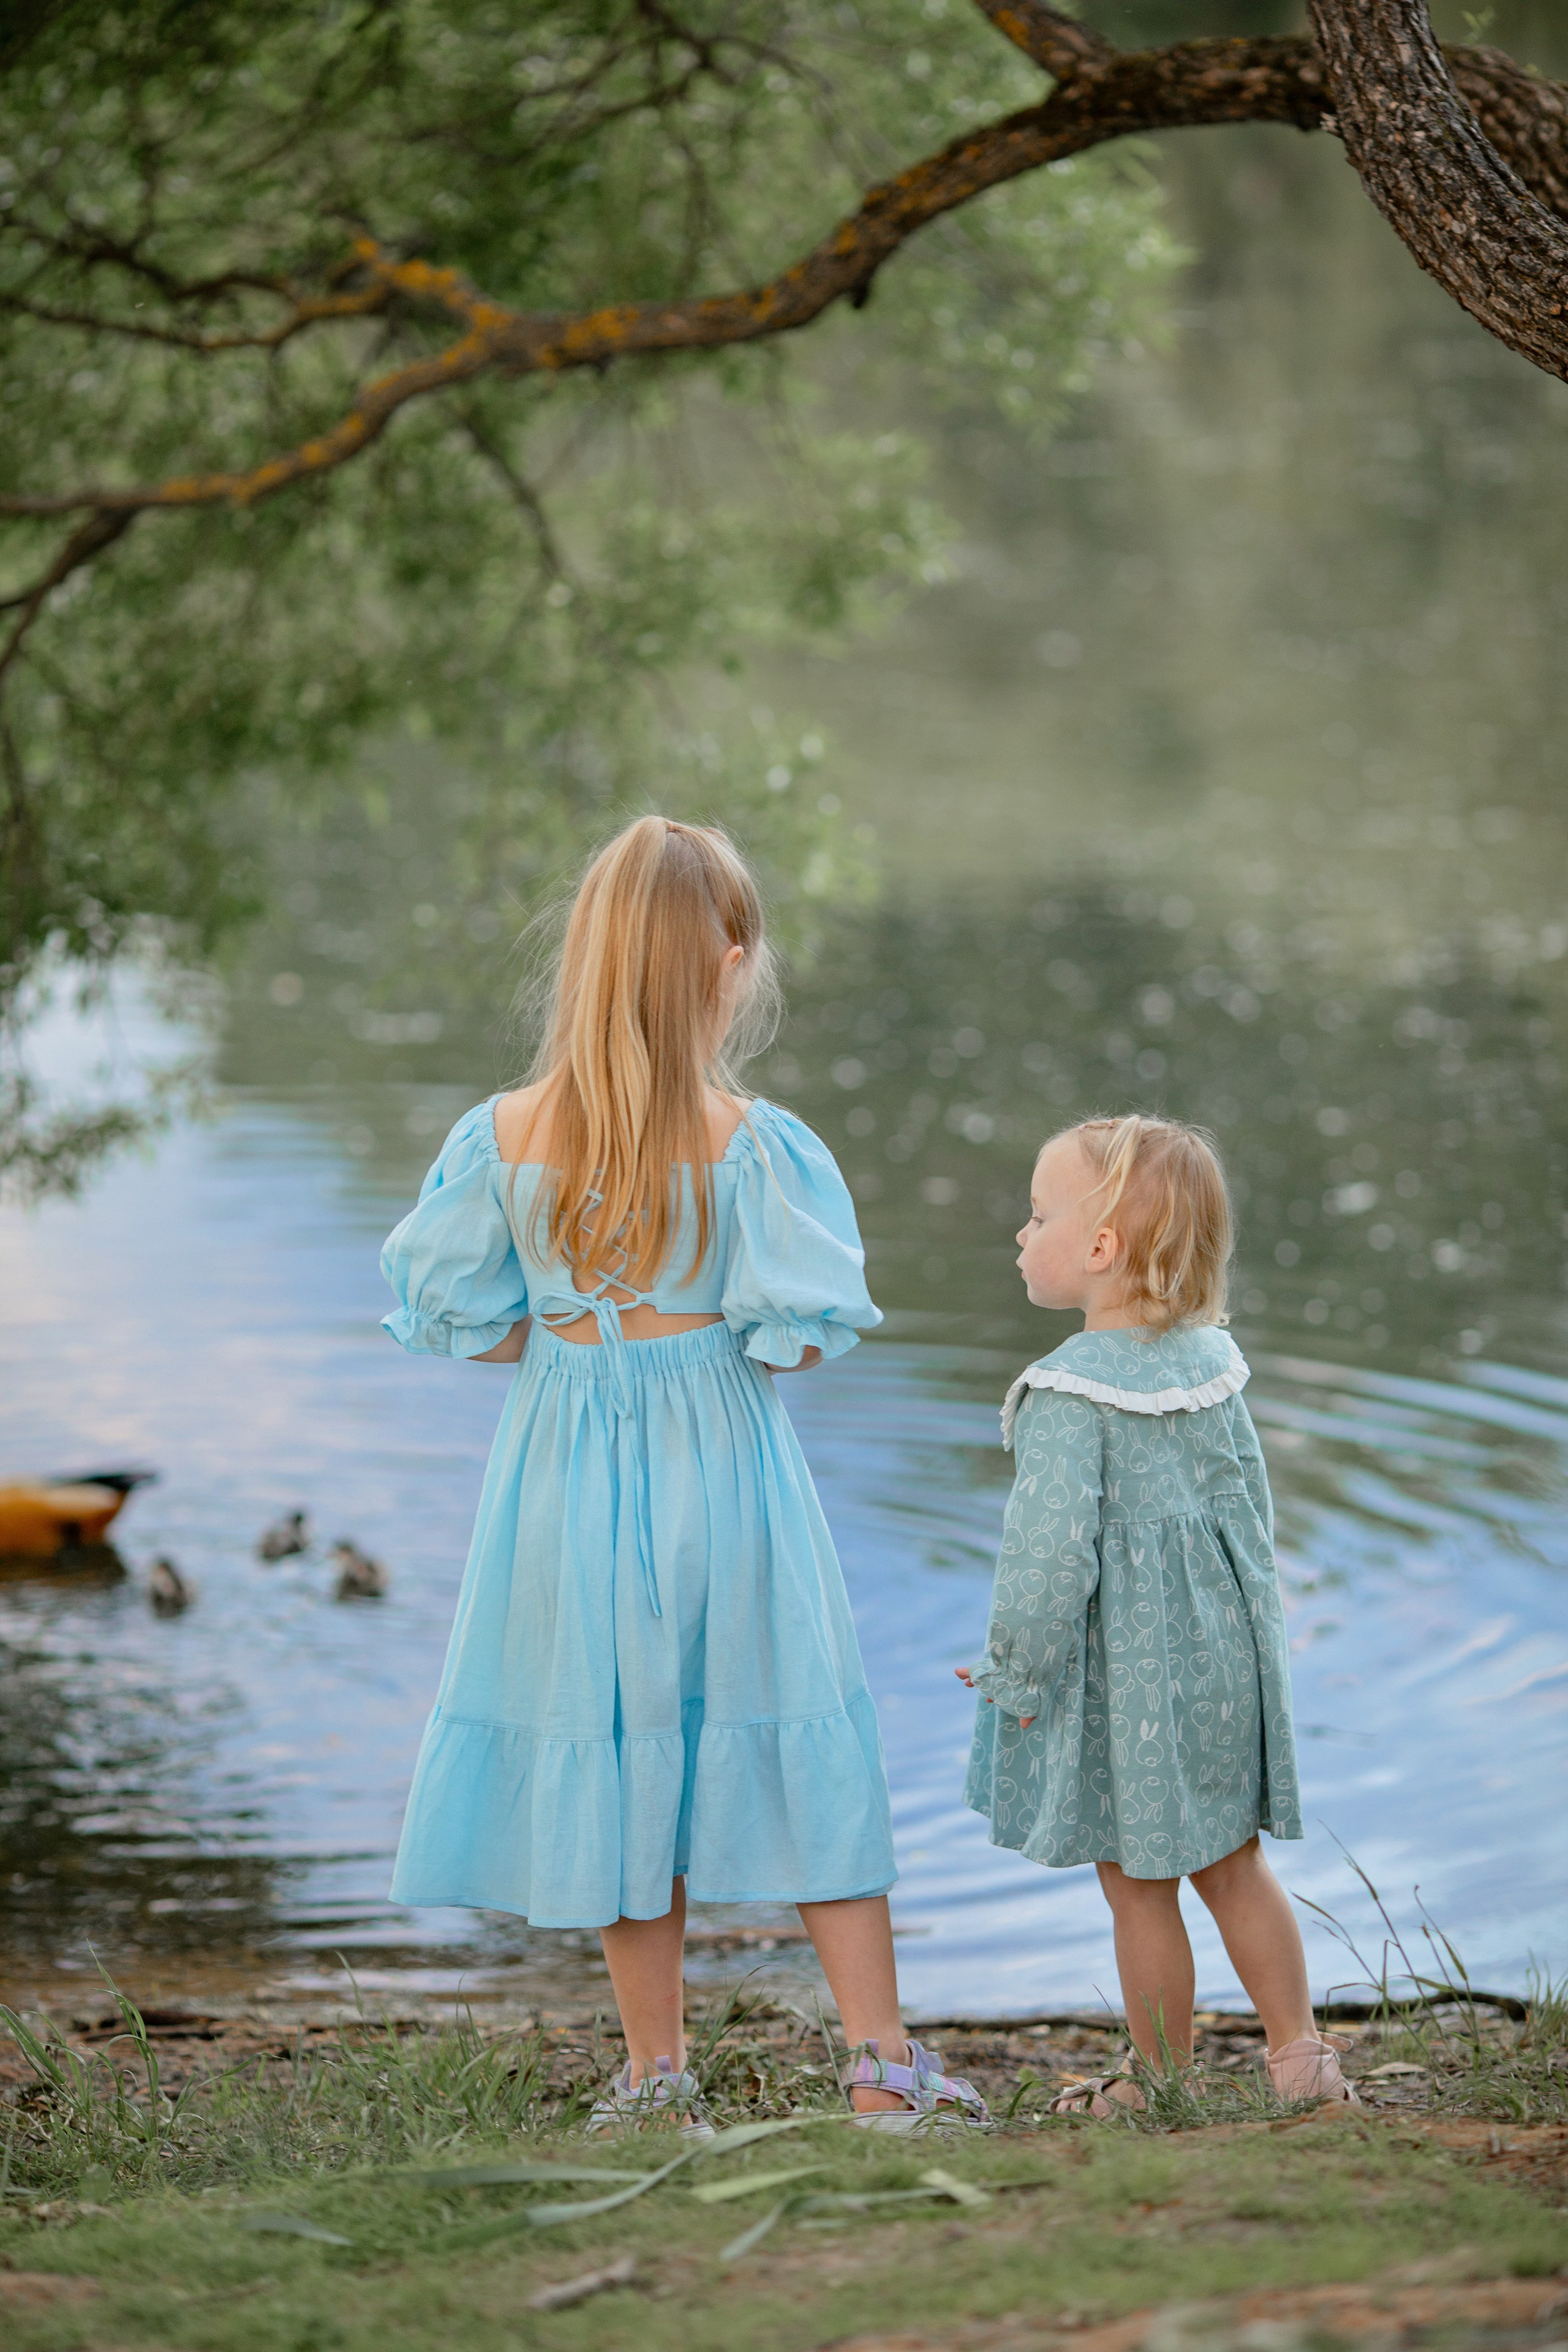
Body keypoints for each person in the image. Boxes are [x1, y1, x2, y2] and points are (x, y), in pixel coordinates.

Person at [381, 816, 985, 2131]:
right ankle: (879, 2065)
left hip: (558, 1479)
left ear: (586, 957)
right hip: (723, 1475)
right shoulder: (751, 1141)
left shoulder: (502, 1134)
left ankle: (656, 2078)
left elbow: (462, 1320)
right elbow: (798, 1340)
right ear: (727, 963)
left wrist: (574, 1352)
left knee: (612, 1745)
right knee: (796, 1721)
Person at [958, 1114, 1356, 2113]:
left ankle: (1159, 2087)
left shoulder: (1067, 1394)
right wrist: (1255, 1653)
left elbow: (1049, 1558)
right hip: (1221, 1654)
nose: (1021, 1233)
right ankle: (1301, 2061)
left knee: (1139, 1887)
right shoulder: (1211, 1366)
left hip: (1124, 1686)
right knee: (1234, 1865)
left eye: (1037, 1214)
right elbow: (1248, 1519)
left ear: (1099, 1250)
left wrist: (1016, 1672)